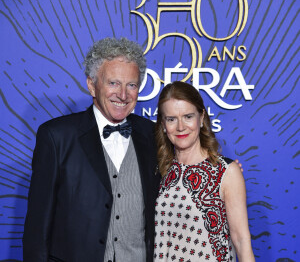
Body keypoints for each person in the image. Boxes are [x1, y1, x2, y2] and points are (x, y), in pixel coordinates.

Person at [23, 37, 161, 262]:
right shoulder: (56, 136)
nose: (123, 95)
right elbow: (37, 229)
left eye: (132, 85)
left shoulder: (154, 135)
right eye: (113, 83)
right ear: (91, 85)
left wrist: (223, 168)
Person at [153, 81, 255, 261]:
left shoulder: (226, 171)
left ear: (201, 118)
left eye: (188, 116)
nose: (180, 127)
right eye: (171, 119)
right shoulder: (159, 170)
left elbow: (241, 241)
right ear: (163, 124)